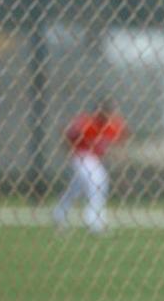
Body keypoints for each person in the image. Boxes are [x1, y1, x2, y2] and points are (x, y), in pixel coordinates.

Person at [52, 99, 129, 233]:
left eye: (112, 112)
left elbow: (121, 140)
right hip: (81, 155)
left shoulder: (114, 125)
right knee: (98, 182)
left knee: (75, 189)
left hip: (95, 158)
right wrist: (69, 150)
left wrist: (119, 157)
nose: (110, 115)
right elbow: (66, 131)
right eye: (107, 111)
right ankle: (94, 222)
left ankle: (59, 213)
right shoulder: (86, 122)